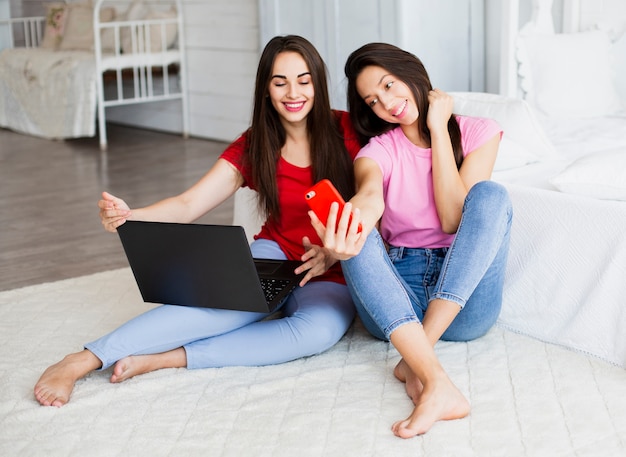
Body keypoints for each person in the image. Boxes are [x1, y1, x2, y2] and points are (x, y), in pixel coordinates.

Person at [34, 35, 361, 407]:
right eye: (279, 81)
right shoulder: (255, 144)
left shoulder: (349, 131)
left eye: (304, 80)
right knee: (218, 308)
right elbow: (188, 204)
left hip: (335, 268)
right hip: (277, 254)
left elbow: (380, 207)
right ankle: (82, 360)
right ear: (266, 89)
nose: (293, 92)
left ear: (318, 82)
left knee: (316, 334)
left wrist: (334, 252)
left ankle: (166, 358)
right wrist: (129, 216)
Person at [310, 43, 512, 438]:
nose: (387, 102)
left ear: (411, 72)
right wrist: (354, 219)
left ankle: (415, 358)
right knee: (357, 227)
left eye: (389, 84)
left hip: (463, 303)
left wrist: (438, 128)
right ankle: (435, 379)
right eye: (373, 99)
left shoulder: (478, 131)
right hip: (395, 303)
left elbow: (454, 217)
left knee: (492, 196)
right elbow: (370, 194)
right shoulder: (377, 150)